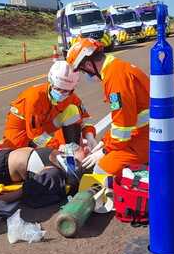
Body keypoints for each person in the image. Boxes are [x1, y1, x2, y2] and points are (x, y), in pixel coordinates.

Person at [64, 38, 149, 175]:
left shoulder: (115, 78)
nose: (86, 75)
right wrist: (104, 142)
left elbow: (123, 127)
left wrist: (104, 151)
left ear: (88, 65)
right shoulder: (118, 67)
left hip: (144, 139)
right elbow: (124, 119)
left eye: (84, 71)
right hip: (145, 133)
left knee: (100, 170)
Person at [1, 61, 96, 150]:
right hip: (21, 131)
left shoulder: (71, 97)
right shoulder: (34, 98)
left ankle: (73, 149)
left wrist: (89, 136)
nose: (61, 93)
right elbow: (35, 135)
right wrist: (58, 147)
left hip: (43, 126)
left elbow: (84, 119)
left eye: (66, 91)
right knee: (15, 157)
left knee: (73, 110)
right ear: (51, 82)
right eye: (58, 89)